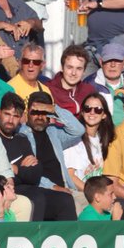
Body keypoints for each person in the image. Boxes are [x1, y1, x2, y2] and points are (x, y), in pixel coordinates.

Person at [19, 91, 85, 220]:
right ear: (27, 113)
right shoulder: (21, 135)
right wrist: (54, 187)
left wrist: (55, 109)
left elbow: (79, 130)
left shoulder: (53, 132)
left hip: (67, 188)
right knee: (73, 207)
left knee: (97, 206)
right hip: (44, 191)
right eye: (35, 112)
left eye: (44, 113)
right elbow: (31, 174)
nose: (39, 116)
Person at [46, 44, 101, 117]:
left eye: (79, 68)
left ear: (84, 71)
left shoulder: (89, 91)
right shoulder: (48, 89)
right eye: (69, 67)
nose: (73, 73)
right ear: (62, 68)